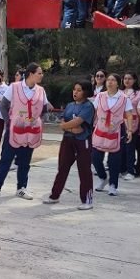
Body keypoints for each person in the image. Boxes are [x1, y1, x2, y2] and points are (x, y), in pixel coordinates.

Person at [0, 62, 47, 200]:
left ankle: (21, 188)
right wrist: (9, 121)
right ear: (31, 74)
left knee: (25, 161)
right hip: (14, 131)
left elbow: (45, 107)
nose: (42, 75)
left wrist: (36, 119)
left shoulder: (41, 90)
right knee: (6, 159)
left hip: (30, 132)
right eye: (39, 73)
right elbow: (4, 105)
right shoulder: (15, 87)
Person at [44, 80, 95, 209]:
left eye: (79, 90)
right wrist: (69, 128)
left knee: (84, 170)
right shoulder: (70, 105)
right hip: (68, 139)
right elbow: (64, 120)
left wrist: (66, 126)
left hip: (82, 141)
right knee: (62, 167)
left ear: (86, 92)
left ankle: (87, 200)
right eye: (74, 89)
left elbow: (78, 121)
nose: (75, 92)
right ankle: (55, 195)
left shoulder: (88, 106)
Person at [91, 74, 132, 196]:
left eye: (113, 80)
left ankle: (113, 184)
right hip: (100, 128)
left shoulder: (124, 98)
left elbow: (129, 114)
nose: (110, 82)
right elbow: (93, 111)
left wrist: (130, 130)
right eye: (108, 80)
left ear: (118, 83)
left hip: (116, 130)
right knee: (95, 157)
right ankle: (103, 177)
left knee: (114, 160)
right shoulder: (100, 96)